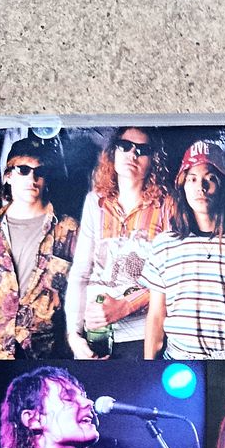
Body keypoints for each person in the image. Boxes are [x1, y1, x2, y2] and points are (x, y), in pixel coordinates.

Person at [142, 140, 225, 359]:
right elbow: (156, 316)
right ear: (182, 185)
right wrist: (148, 366)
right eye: (192, 179)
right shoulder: (163, 245)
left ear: (223, 186)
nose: (201, 187)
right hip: (177, 359)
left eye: (210, 178)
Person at [65, 127, 174, 359]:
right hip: (95, 333)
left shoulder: (166, 205)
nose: (132, 154)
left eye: (142, 150)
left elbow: (172, 279)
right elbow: (80, 272)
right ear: (113, 152)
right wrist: (74, 335)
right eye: (125, 146)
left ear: (153, 160)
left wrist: (125, 305)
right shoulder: (95, 202)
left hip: (141, 335)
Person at [0, 137, 79, 359]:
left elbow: (84, 289)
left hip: (47, 350)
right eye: (23, 170)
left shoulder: (69, 229)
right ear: (8, 175)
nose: (32, 179)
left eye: (39, 172)